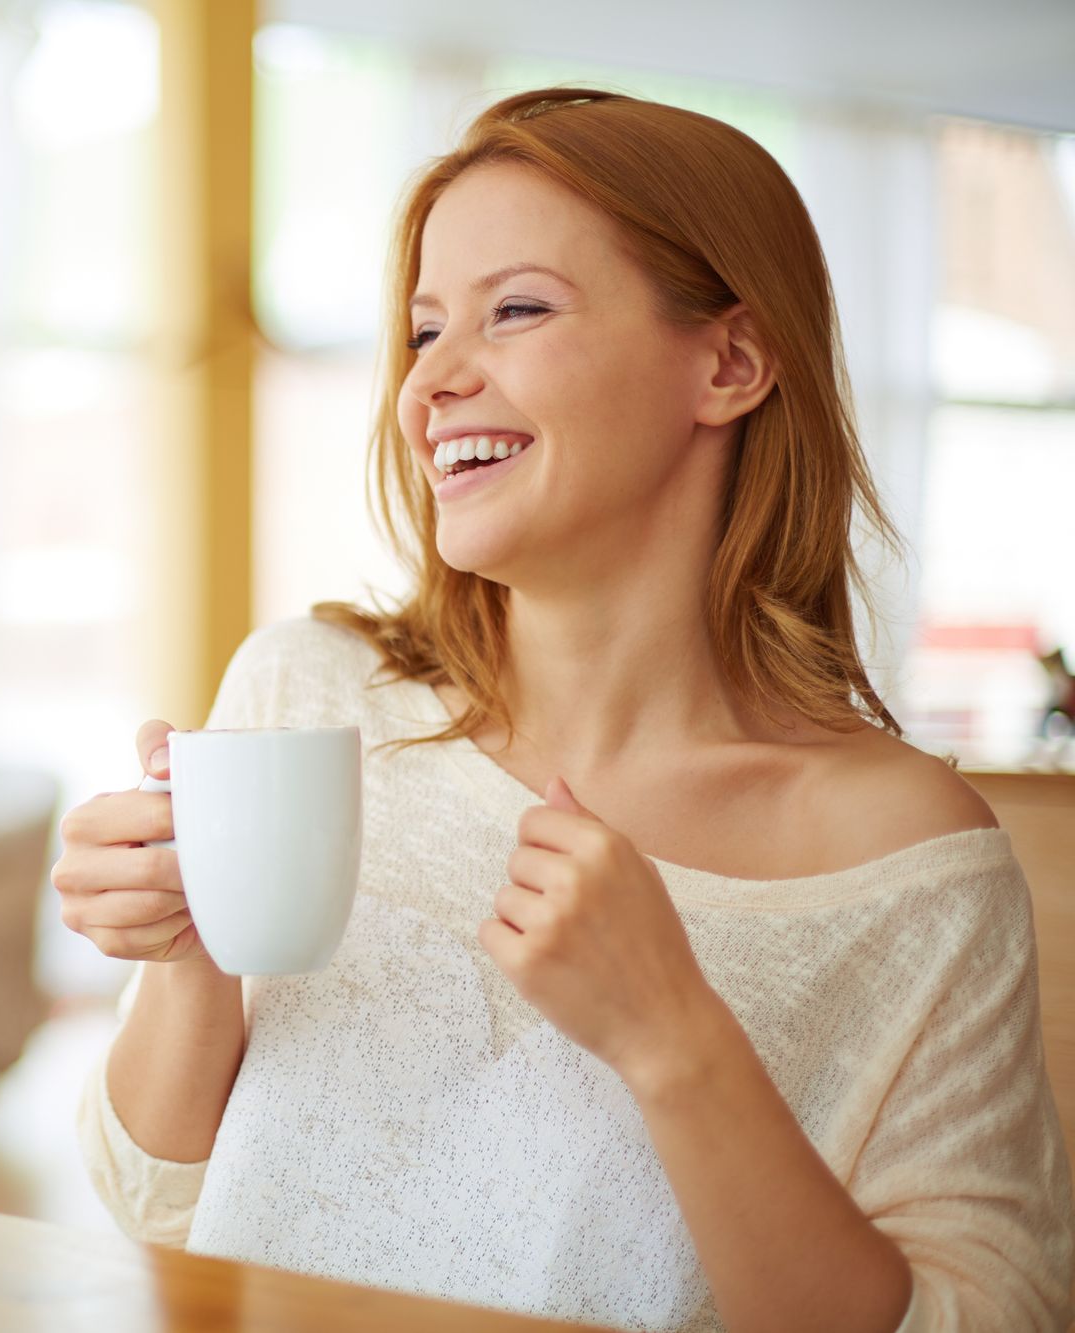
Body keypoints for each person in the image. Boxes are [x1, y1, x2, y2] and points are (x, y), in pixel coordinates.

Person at [56, 88, 1075, 1333]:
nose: (430, 379)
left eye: (515, 310)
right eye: (423, 329)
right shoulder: (308, 696)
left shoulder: (907, 860)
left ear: (728, 362)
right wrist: (189, 962)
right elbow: (159, 1206)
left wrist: (673, 1039)